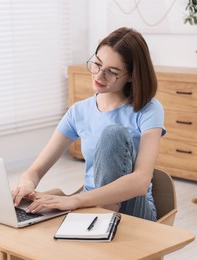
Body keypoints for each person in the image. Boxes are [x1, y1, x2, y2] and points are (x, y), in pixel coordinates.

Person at [12, 27, 165, 221]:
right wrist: (26, 185)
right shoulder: (79, 111)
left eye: (112, 72)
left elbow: (141, 181)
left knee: (113, 134)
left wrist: (76, 200)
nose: (99, 76)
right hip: (89, 206)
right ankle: (97, 221)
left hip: (132, 210)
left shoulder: (148, 109)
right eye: (97, 65)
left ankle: (103, 217)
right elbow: (34, 170)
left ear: (132, 76)